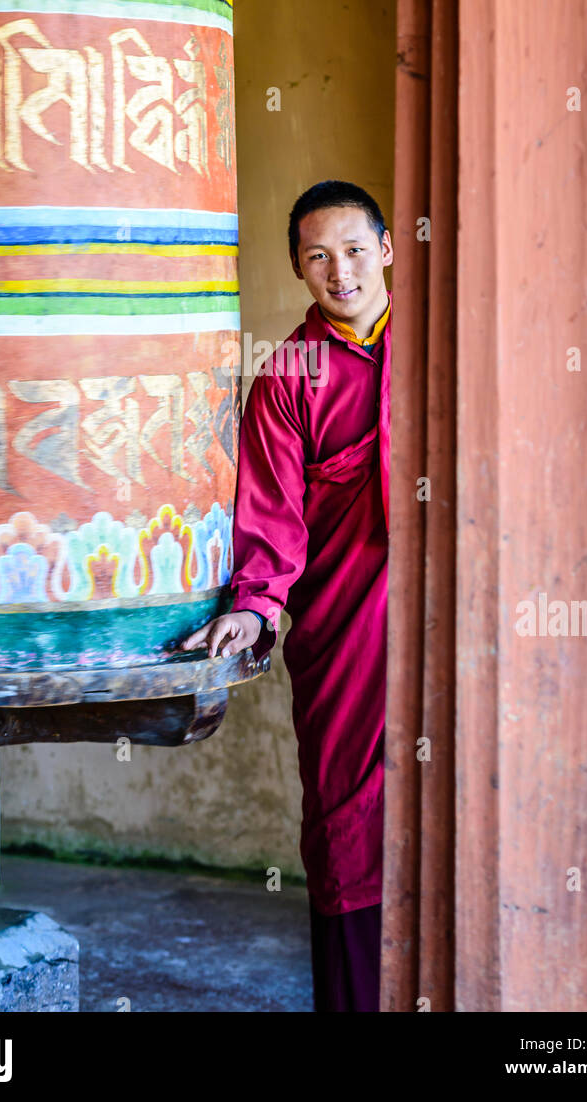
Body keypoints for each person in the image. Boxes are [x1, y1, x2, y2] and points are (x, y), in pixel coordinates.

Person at [180, 179, 392, 1012]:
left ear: (384, 248)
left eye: (351, 250)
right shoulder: (289, 376)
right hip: (348, 633)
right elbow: (270, 517)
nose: (338, 271)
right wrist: (252, 605)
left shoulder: (449, 338)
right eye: (316, 257)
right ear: (299, 272)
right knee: (348, 822)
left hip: (457, 626)